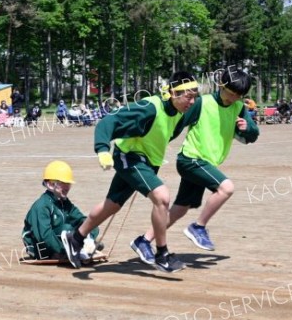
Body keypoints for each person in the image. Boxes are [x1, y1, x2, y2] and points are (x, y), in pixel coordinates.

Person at [61, 71, 199, 273]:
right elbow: (108, 122)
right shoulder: (149, 107)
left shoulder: (180, 113)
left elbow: (164, 134)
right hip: (130, 157)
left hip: (147, 162)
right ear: (173, 93)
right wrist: (102, 149)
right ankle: (162, 254)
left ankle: (76, 237)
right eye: (189, 96)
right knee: (162, 198)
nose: (193, 101)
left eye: (195, 96)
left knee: (112, 205)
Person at [131, 69, 259, 264]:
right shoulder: (201, 102)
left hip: (206, 163)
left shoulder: (239, 107)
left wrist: (246, 128)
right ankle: (198, 227)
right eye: (231, 93)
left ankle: (144, 240)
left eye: (238, 95)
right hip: (191, 159)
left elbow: (252, 135)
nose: (233, 98)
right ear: (221, 86)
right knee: (226, 188)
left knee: (181, 208)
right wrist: (151, 146)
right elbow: (176, 126)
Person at [22, 161, 99, 261]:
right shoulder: (42, 206)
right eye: (63, 183)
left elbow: (81, 219)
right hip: (40, 248)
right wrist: (63, 251)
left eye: (68, 183)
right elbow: (44, 236)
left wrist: (89, 236)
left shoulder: (64, 202)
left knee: (91, 224)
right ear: (50, 184)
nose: (67, 187)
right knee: (66, 229)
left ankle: (85, 246)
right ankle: (69, 250)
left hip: (60, 240)